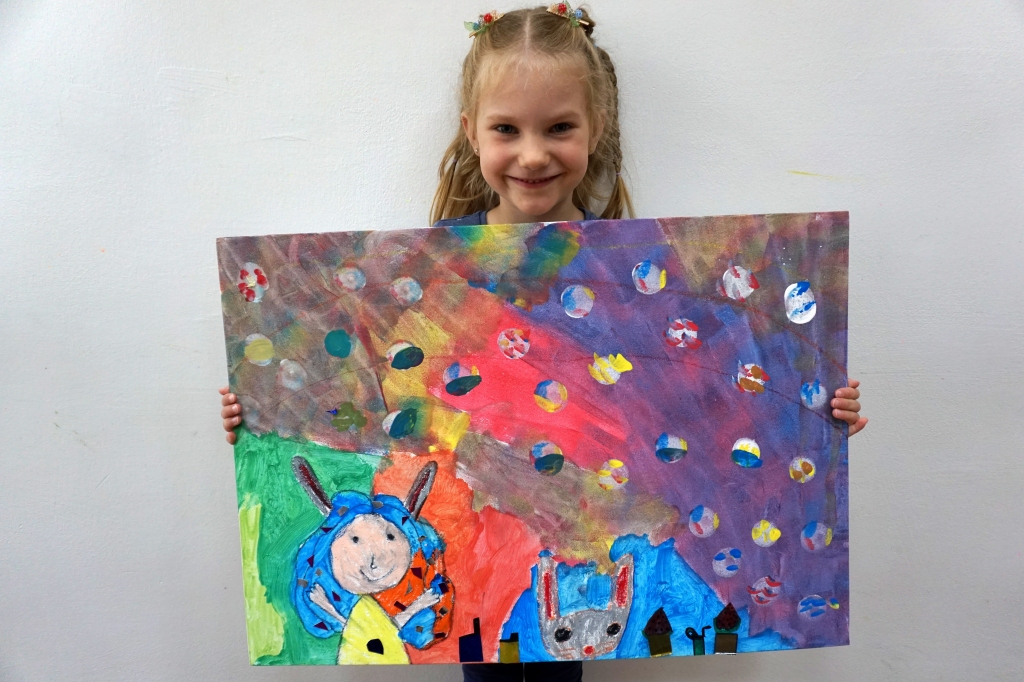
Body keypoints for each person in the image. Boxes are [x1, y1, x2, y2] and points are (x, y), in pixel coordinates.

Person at [219, 4, 867, 680]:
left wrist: (819, 417)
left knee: (558, 648)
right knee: (493, 647)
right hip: (481, 531)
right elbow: (366, 392)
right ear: (472, 132)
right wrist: (254, 416)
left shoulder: (637, 274)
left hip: (581, 533)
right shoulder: (429, 274)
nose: (532, 154)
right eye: (507, 129)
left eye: (558, 128)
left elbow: (715, 397)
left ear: (596, 129)